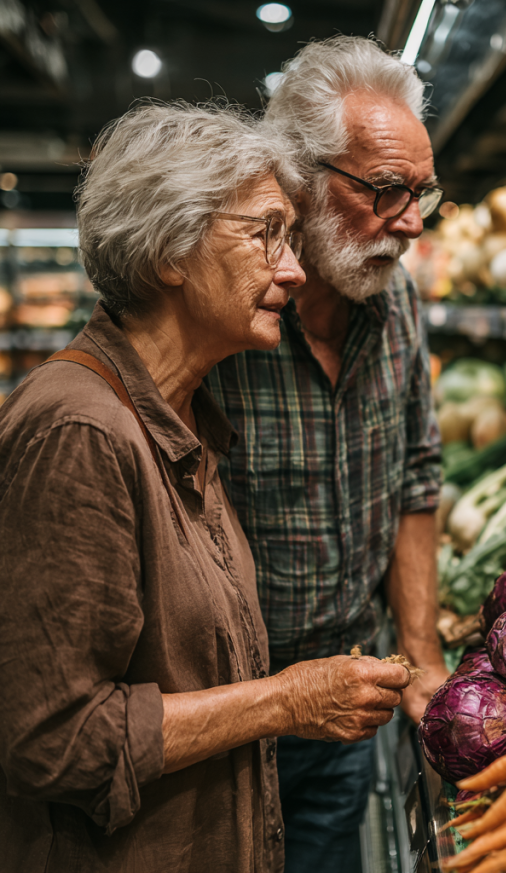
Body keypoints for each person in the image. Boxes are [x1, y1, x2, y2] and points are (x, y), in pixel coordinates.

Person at [0, 102, 410, 873]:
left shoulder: (182, 416)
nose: (291, 268)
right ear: (170, 249)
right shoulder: (80, 433)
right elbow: (50, 739)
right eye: (265, 234)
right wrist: (284, 702)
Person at [206, 36, 449, 872]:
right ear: (300, 177)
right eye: (385, 190)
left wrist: (419, 651)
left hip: (352, 700)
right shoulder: (220, 311)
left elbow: (417, 474)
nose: (411, 222)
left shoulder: (397, 298)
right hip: (225, 723)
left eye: (421, 193)